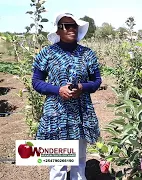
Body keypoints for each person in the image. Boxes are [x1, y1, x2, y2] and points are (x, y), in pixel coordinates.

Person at [32, 12, 102, 180]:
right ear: (58, 31)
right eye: (66, 26)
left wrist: (81, 87)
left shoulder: (88, 54)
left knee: (79, 163)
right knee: (58, 166)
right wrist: (58, 90)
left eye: (74, 26)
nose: (71, 29)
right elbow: (36, 81)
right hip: (56, 114)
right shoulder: (47, 54)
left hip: (80, 114)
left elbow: (97, 81)